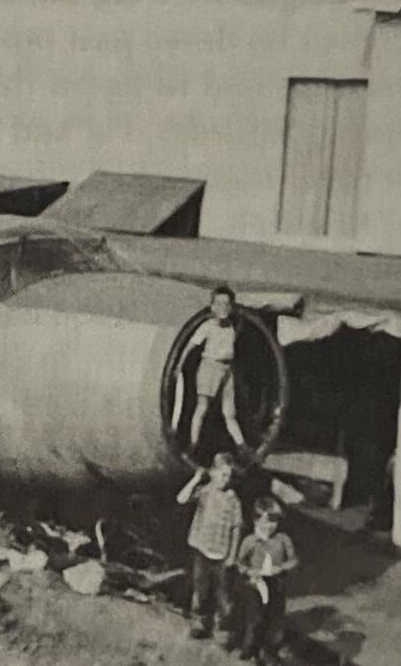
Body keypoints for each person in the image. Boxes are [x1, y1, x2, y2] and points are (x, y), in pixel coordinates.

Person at [176, 452, 243, 646]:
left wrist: (232, 554)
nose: (225, 479)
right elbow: (181, 499)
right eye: (222, 474)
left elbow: (236, 528)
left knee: (224, 595)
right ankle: (199, 623)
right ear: (212, 473)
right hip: (202, 549)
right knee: (200, 590)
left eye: (229, 476)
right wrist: (196, 477)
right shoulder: (204, 492)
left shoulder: (233, 500)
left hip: (221, 553)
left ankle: (224, 629)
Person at [183, 284, 246, 455]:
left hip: (226, 370)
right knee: (202, 407)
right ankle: (193, 444)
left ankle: (243, 447)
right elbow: (191, 345)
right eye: (219, 304)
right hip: (210, 367)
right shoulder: (208, 326)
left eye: (227, 304)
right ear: (212, 307)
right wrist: (179, 365)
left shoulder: (231, 326)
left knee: (230, 412)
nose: (223, 307)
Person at [236, 497, 299, 665]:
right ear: (256, 521)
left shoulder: (282, 540)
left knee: (275, 619)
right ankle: (249, 649)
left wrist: (282, 568)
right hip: (255, 584)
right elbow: (240, 563)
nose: (269, 527)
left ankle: (269, 651)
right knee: (255, 618)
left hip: (276, 583)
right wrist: (250, 572)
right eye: (265, 522)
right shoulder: (250, 541)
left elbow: (293, 561)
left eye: (274, 522)